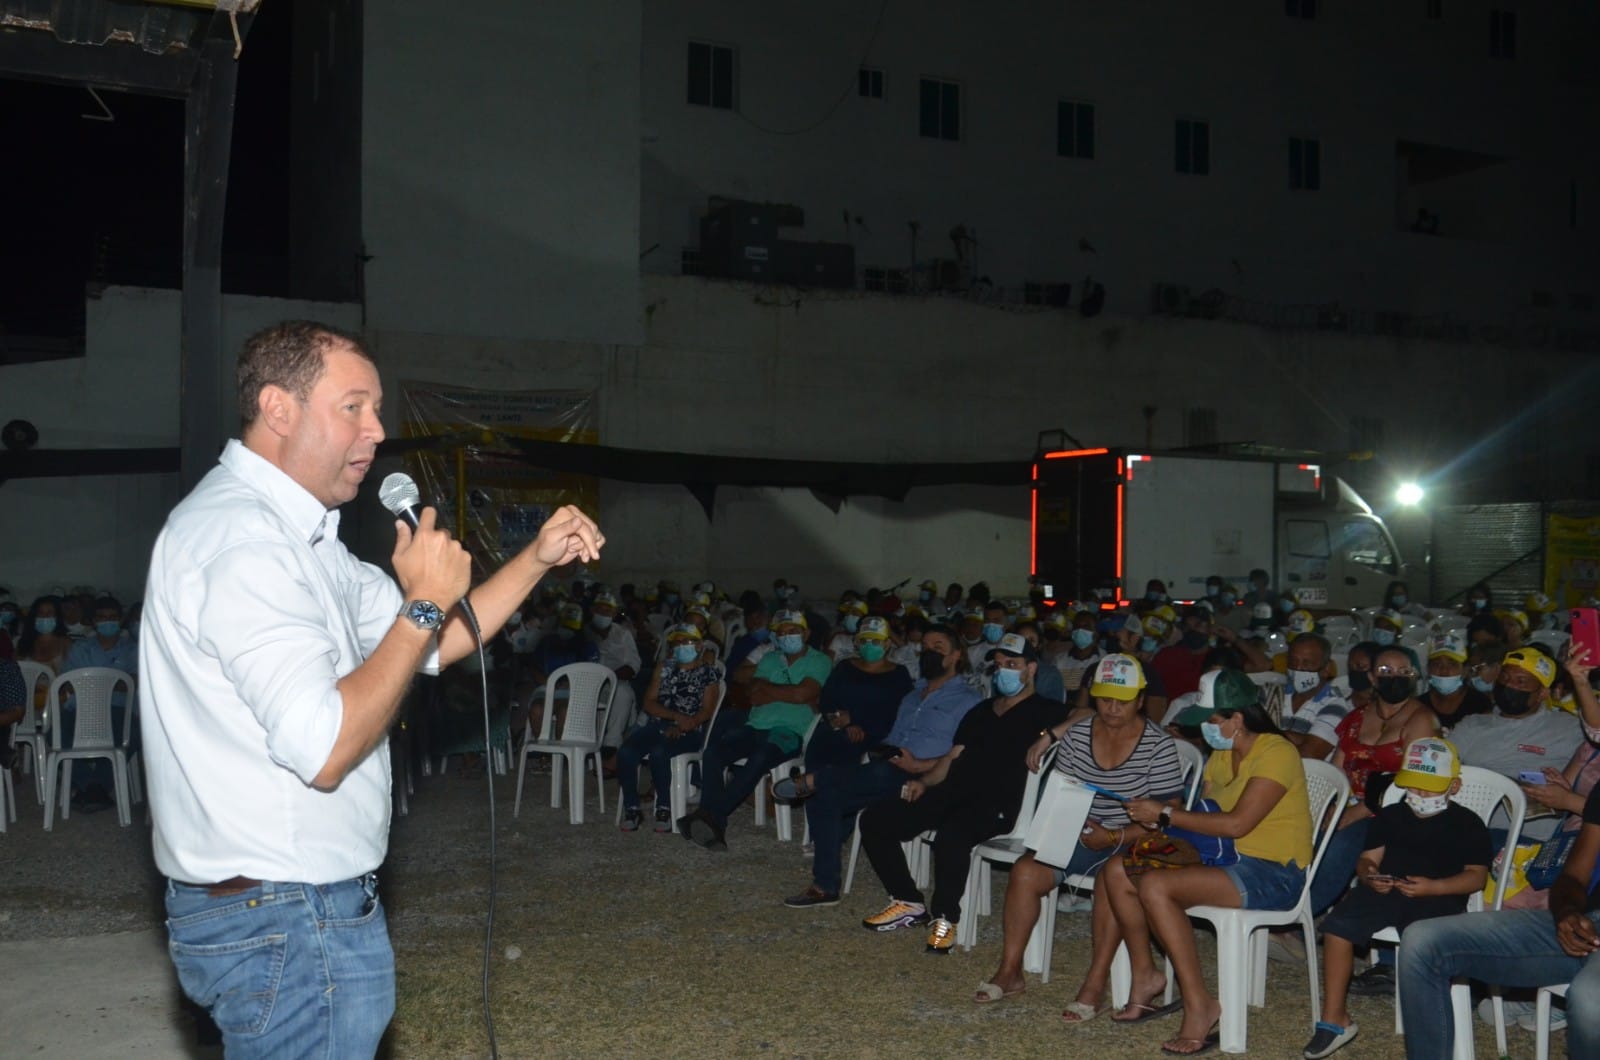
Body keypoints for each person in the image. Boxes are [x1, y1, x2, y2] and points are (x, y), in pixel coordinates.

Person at [140, 321, 604, 1056]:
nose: (377, 430)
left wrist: (536, 559)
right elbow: (326, 747)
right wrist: (421, 603)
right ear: (279, 409)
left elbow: (433, 642)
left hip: (293, 911)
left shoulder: (304, 539)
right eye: (353, 406)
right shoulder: (245, 541)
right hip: (286, 917)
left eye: (377, 408)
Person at [1111, 676, 1313, 1056]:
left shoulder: (1277, 752)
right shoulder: (1224, 751)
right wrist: (1160, 819)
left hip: (1273, 872)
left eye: (1211, 719)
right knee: (1120, 870)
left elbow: (1238, 823)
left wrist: (1168, 815)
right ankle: (1146, 975)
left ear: (1237, 718)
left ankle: (1199, 1003)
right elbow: (1202, 817)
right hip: (1224, 857)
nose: (1203, 728)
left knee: (1156, 886)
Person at [974, 654, 1188, 1013]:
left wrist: (1115, 836)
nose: (1113, 708)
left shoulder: (1158, 744)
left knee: (1111, 877)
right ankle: (1010, 970)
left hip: (1136, 840)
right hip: (1084, 833)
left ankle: (1095, 981)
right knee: (1026, 871)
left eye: (1122, 700)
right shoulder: (1078, 735)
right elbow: (1065, 792)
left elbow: (1171, 815)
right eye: (1104, 699)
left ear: (1140, 700)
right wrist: (1067, 829)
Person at [857, 632, 1067, 953]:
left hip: (998, 803)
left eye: (1013, 664)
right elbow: (953, 756)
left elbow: (1090, 715)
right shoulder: (982, 710)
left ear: (1031, 669)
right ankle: (908, 902)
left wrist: (1050, 735)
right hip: (954, 790)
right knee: (876, 819)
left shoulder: (1047, 710)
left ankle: (945, 918)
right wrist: (925, 782)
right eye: (999, 665)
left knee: (951, 835)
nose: (1004, 671)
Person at [1303, 737, 1492, 1058]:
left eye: (1428, 788)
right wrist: (1370, 875)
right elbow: (1367, 858)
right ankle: (1334, 1018)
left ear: (1454, 786)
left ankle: (1432, 1028)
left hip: (1439, 896)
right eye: (1413, 787)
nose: (1418, 795)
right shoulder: (1392, 815)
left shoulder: (1467, 824)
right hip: (1386, 889)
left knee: (1423, 944)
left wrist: (1433, 887)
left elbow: (1476, 876)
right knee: (1337, 928)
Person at [777, 624, 980, 907]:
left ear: (956, 655)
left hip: (929, 779)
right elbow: (892, 738)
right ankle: (825, 886)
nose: (929, 653)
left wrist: (920, 765)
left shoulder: (970, 701)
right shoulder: (911, 696)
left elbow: (966, 755)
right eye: (926, 647)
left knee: (858, 776)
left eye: (938, 648)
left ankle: (813, 779)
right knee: (829, 795)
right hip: (889, 769)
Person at [1398, 780, 1600, 1059]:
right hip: (1589, 922)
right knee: (1422, 941)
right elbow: (1574, 876)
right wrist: (1567, 912)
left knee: (1591, 999)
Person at [678, 609, 831, 849]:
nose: (787, 636)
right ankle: (714, 821)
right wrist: (788, 692)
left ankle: (710, 815)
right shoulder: (770, 658)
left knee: (760, 757)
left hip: (789, 731)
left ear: (807, 633)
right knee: (713, 753)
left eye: (793, 631)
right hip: (756, 725)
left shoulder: (820, 660)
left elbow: (804, 693)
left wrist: (771, 689)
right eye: (782, 632)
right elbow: (753, 694)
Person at [617, 623, 721, 832]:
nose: (682, 646)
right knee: (627, 751)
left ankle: (664, 807)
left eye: (687, 642)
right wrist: (674, 717)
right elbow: (649, 702)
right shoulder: (664, 668)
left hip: (690, 730)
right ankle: (632, 807)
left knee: (659, 752)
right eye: (677, 643)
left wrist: (683, 725)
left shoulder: (708, 672)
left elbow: (707, 710)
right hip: (660, 723)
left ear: (699, 645)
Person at [1278, 633, 1354, 762]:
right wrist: (1301, 738)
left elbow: (1309, 755)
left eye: (1307, 663)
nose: (1298, 668)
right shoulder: (1274, 693)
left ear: (1326, 668)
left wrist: (1267, 733)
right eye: (1292, 661)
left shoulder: (1335, 706)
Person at [1419, 629, 1490, 726]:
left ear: (1465, 670)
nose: (1444, 670)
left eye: (1452, 664)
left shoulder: (1480, 704)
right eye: (1437, 664)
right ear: (1428, 669)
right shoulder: (1418, 706)